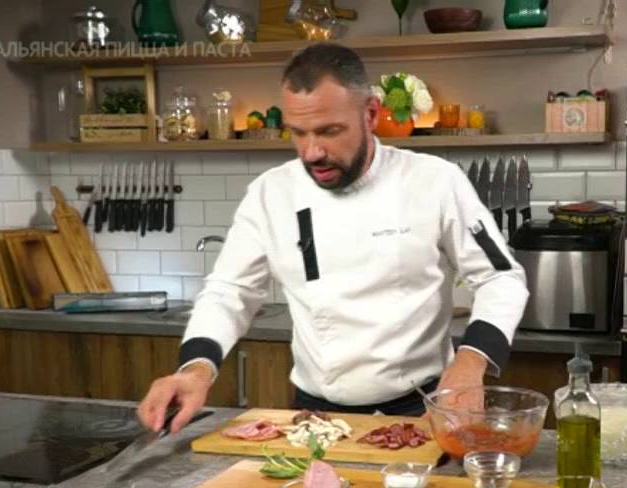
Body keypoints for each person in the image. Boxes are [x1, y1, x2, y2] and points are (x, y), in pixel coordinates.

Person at [137, 43, 528, 434]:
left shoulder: (435, 181)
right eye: (298, 133)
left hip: (423, 409)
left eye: (329, 131)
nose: (312, 152)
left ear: (370, 114)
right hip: (316, 416)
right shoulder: (271, 193)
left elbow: (500, 278)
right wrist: (196, 368)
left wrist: (470, 361)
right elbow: (229, 291)